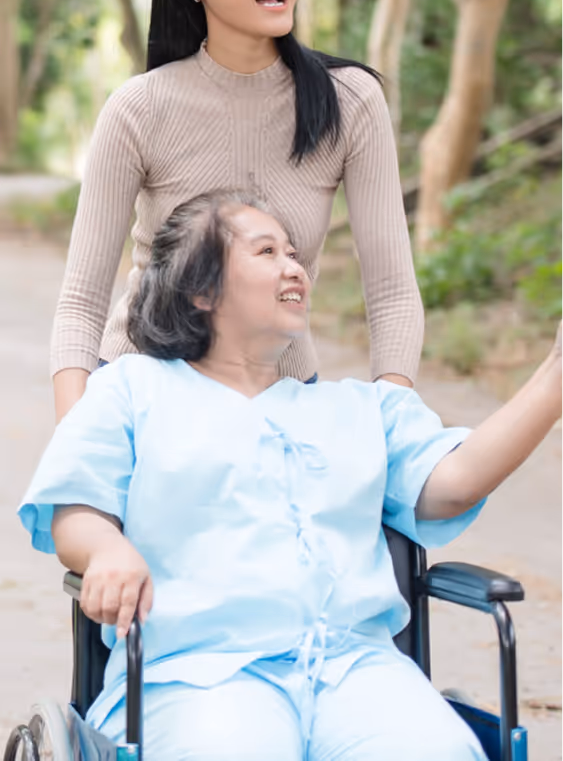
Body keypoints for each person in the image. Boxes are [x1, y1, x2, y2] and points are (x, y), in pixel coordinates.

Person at [21, 192, 563, 761]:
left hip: (357, 670)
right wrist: (106, 549)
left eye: (295, 253)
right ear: (202, 290)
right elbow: (76, 509)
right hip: (195, 673)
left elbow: (457, 481)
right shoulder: (131, 390)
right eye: (267, 251)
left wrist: (554, 375)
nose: (295, 267)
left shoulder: (364, 409)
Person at [51, 0, 424, 421]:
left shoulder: (350, 101)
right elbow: (82, 301)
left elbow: (391, 292)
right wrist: (76, 448)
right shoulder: (139, 108)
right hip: (144, 403)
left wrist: (396, 430)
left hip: (284, 402)